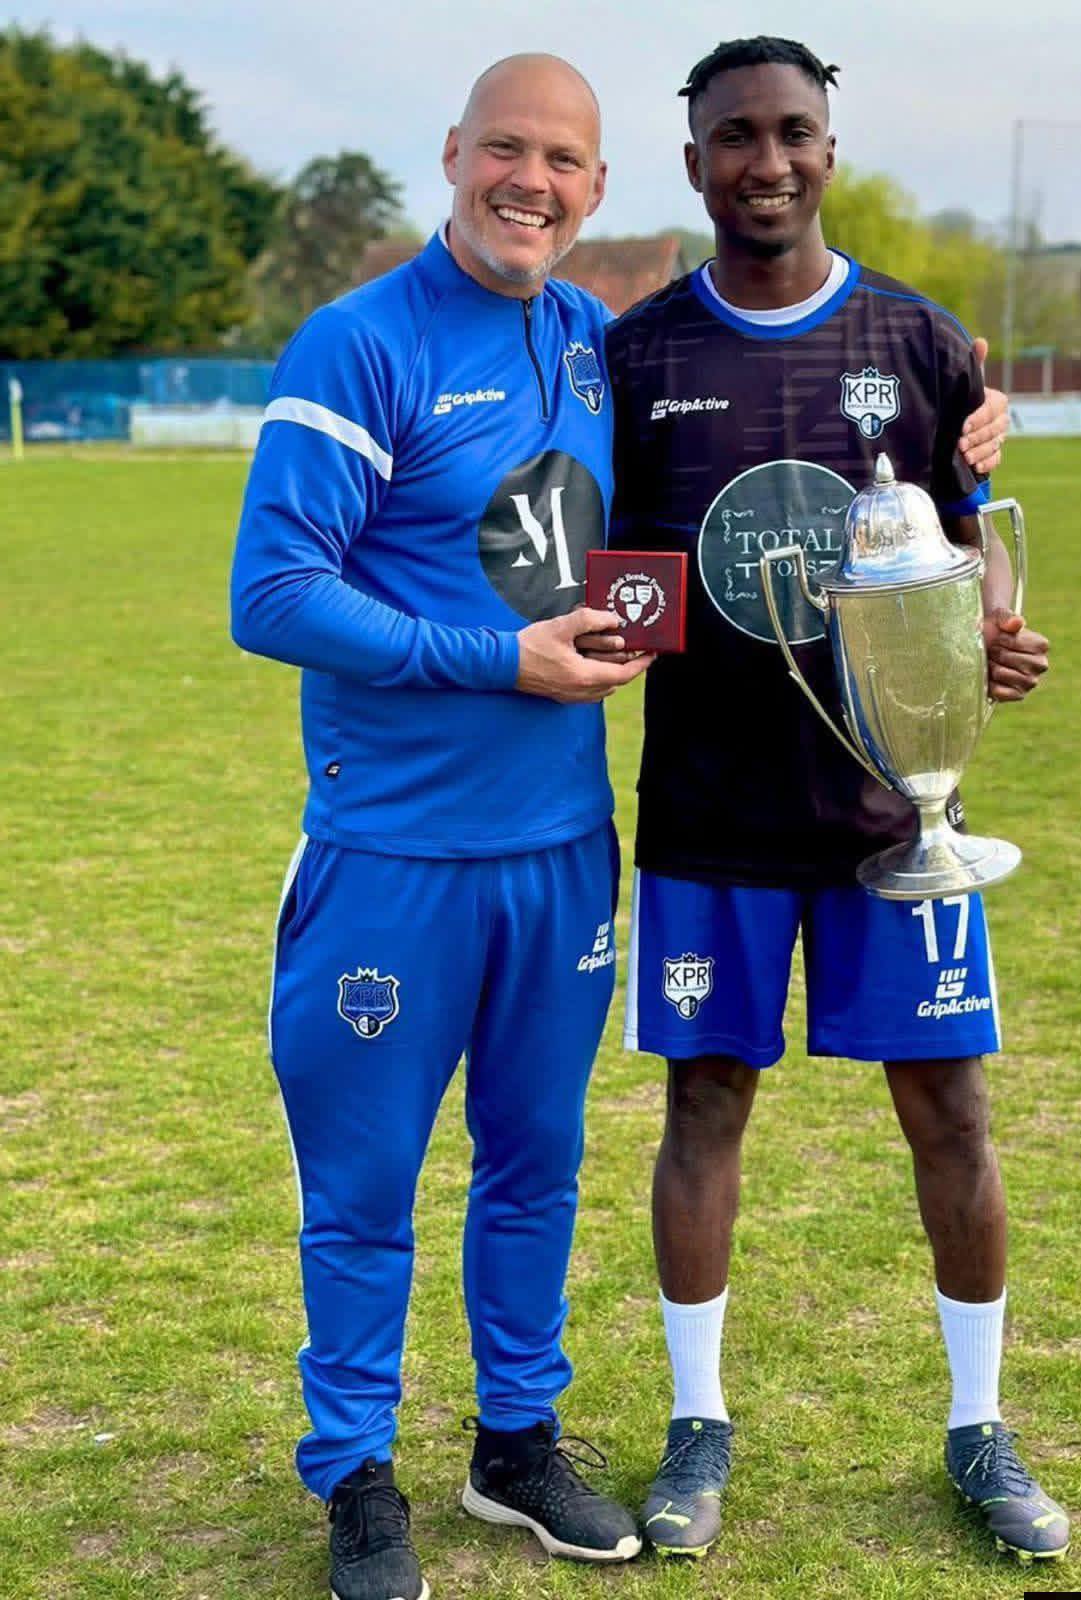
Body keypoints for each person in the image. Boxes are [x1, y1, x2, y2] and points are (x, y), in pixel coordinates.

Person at [601, 36, 1066, 1566]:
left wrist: (990, 643)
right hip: (709, 821)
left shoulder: (922, 343)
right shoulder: (639, 353)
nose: (766, 162)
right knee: (702, 1104)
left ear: (828, 149)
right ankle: (695, 1427)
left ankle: (979, 1429)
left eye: (793, 132)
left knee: (949, 1109)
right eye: (734, 136)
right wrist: (593, 629)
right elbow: (612, 585)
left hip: (891, 823)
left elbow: (973, 556)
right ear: (693, 164)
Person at [230, 54, 657, 1600]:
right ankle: (351, 1473)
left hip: (560, 854)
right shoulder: (359, 343)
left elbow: (675, 513)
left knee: (534, 1166)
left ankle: (513, 1444)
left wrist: (961, 410)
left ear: (597, 188)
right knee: (364, 1193)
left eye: (561, 159)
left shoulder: (597, 342)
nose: (528, 182)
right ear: (452, 155)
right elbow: (269, 595)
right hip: (391, 865)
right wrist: (500, 658)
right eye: (504, 151)